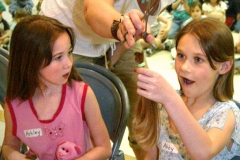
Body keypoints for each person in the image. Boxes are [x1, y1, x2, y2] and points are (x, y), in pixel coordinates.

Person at [40, 0, 174, 159]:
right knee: (81, 125)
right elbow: (95, 10)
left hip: (116, 38)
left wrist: (112, 58)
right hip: (68, 37)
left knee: (142, 109)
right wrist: (121, 27)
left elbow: (132, 32)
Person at [1, 15, 111, 160]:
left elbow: (104, 148)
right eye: (58, 57)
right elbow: (9, 146)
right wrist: (16, 156)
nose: (69, 64)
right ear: (31, 62)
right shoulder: (14, 105)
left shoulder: (82, 94)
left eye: (69, 53)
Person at [133, 17, 240, 159]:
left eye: (198, 59)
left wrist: (170, 99)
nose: (184, 67)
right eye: (181, 55)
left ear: (224, 66)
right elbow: (152, 155)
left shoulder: (226, 114)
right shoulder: (163, 106)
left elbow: (204, 152)